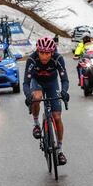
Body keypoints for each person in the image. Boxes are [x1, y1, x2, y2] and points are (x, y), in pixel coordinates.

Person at [23, 37, 69, 165]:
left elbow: (64, 80)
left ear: (52, 52)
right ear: (37, 51)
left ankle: (60, 151)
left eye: (47, 53)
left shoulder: (58, 59)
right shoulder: (32, 59)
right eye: (41, 53)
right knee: (36, 97)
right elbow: (26, 83)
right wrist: (28, 96)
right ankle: (36, 124)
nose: (44, 56)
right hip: (36, 82)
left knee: (57, 117)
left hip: (52, 83)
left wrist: (64, 92)